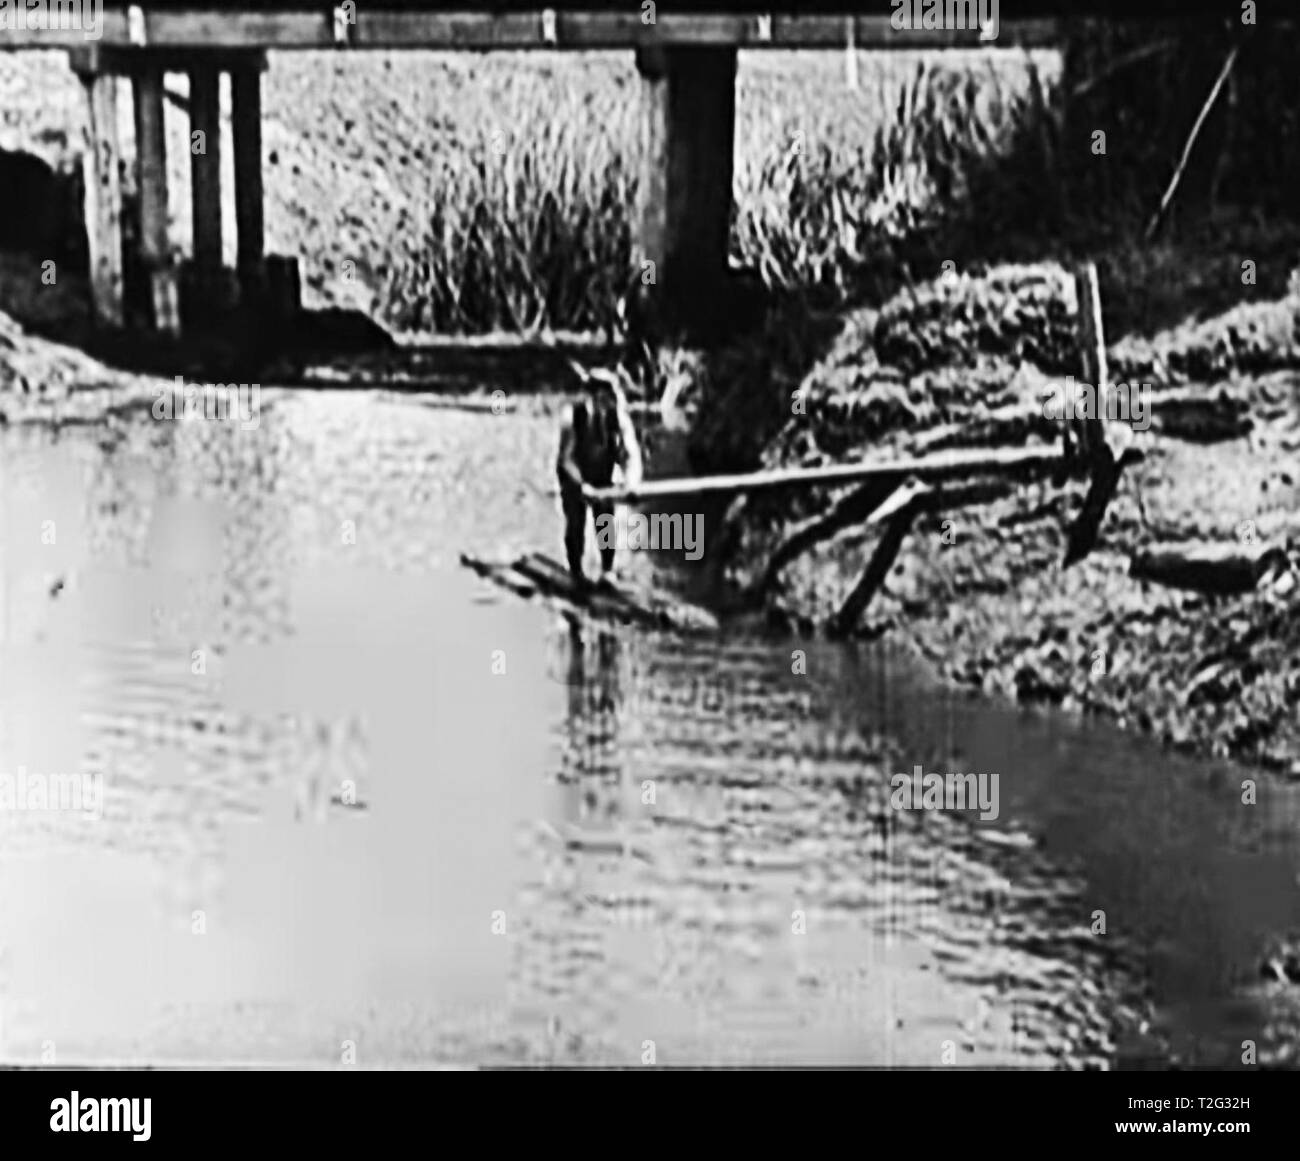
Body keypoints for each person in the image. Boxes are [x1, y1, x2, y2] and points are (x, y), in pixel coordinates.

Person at [556, 363, 643, 588]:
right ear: (593, 395)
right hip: (574, 475)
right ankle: (576, 573)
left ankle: (607, 571)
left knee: (605, 520)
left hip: (602, 474)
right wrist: (582, 485)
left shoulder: (619, 419)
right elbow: (567, 458)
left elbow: (631, 454)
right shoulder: (572, 416)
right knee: (575, 523)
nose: (609, 401)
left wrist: (631, 483)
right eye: (604, 396)